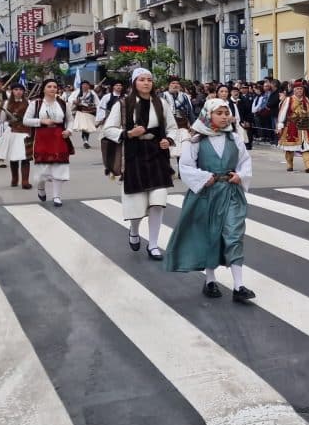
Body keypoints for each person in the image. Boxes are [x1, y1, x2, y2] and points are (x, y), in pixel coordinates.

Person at [165, 99, 256, 303]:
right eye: (219, 113)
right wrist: (204, 178)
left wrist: (240, 175)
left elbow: (245, 161)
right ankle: (210, 280)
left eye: (226, 112)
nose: (224, 116)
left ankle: (239, 286)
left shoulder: (234, 138)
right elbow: (186, 166)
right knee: (209, 236)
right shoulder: (195, 140)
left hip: (231, 193)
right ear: (208, 115)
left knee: (234, 234)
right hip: (206, 195)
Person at [103, 68, 177, 261]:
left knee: (157, 203)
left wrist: (168, 140)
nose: (146, 83)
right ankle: (134, 229)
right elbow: (108, 129)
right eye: (142, 80)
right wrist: (128, 134)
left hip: (157, 154)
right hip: (133, 155)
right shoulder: (123, 104)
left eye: (149, 80)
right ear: (134, 83)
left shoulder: (161, 103)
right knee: (137, 206)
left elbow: (172, 127)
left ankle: (153, 245)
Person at [23, 79, 72, 207]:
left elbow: (70, 120)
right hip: (42, 137)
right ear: (44, 89)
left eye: (55, 87)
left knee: (59, 166)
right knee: (42, 169)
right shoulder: (36, 104)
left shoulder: (63, 104)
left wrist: (69, 130)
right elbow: (25, 120)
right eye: (49, 86)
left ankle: (56, 196)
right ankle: (40, 187)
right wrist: (41, 121)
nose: (52, 89)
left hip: (59, 137)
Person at [0, 83, 34, 189]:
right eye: (16, 89)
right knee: (14, 157)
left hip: (25, 131)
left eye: (20, 90)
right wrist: (6, 114)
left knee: (25, 157)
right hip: (12, 131)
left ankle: (25, 181)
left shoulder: (29, 103)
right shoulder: (7, 103)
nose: (18, 92)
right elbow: (2, 120)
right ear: (12, 91)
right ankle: (14, 179)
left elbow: (32, 118)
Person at [276, 80, 309, 173]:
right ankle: (289, 164)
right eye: (298, 89)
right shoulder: (288, 99)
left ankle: (308, 165)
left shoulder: (306, 99)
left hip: (305, 126)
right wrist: (280, 126)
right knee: (290, 147)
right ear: (294, 90)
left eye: (301, 89)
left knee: (307, 146)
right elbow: (282, 113)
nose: (300, 91)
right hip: (292, 126)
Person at [163, 77, 195, 166]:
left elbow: (190, 112)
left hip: (182, 124)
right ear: (168, 85)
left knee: (182, 148)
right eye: (173, 83)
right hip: (167, 125)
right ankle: (167, 169)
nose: (175, 85)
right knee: (167, 147)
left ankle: (182, 169)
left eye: (177, 83)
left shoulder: (184, 96)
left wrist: (193, 125)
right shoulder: (163, 96)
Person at [97, 80, 125, 179]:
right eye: (116, 85)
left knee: (121, 146)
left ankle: (121, 167)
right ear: (113, 87)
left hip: (122, 124)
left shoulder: (125, 97)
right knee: (108, 144)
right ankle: (109, 164)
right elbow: (101, 108)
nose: (118, 87)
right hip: (108, 123)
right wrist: (100, 120)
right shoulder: (107, 97)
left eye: (120, 85)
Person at [71, 80, 98, 149]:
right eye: (83, 84)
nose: (85, 86)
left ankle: (86, 141)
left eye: (86, 84)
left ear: (89, 86)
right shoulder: (77, 92)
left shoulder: (92, 93)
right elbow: (70, 99)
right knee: (84, 127)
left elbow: (97, 102)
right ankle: (85, 142)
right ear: (81, 86)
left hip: (89, 112)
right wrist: (75, 101)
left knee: (87, 128)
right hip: (81, 112)